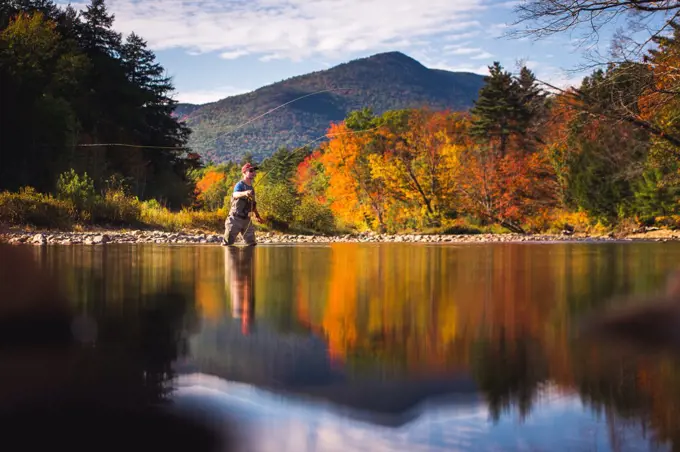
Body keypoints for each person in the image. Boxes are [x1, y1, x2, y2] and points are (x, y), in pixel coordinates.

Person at [223, 162, 263, 246]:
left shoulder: (252, 188)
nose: (253, 173)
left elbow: (253, 204)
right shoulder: (239, 184)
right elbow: (235, 194)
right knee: (227, 244)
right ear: (244, 172)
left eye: (254, 171)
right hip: (235, 219)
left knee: (252, 244)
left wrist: (257, 216)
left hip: (247, 221)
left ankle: (247, 259)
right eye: (251, 171)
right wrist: (245, 193)